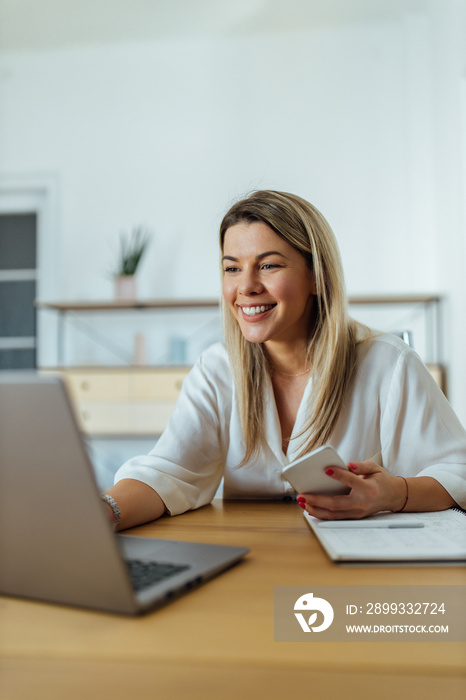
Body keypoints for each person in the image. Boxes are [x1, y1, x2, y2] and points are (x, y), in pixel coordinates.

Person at [102, 190, 466, 531]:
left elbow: (458, 473)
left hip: (357, 569)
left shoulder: (388, 364)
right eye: (232, 268)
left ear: (317, 277)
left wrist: (394, 493)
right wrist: (102, 513)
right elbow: (168, 472)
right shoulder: (217, 370)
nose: (246, 287)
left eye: (269, 266)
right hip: (254, 559)